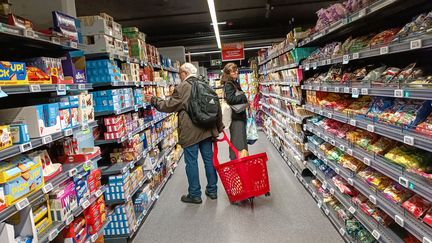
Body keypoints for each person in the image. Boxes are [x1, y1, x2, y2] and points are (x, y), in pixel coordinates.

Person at [145, 63, 223, 204]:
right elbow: (216, 106)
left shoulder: (183, 87)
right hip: (207, 129)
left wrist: (153, 100)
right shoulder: (205, 83)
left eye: (180, 73)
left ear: (184, 73)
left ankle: (195, 194)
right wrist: (218, 128)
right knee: (208, 161)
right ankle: (212, 191)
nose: (179, 76)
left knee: (191, 162)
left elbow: (168, 106)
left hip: (190, 131)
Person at [222, 63, 248, 160]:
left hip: (239, 117)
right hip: (236, 118)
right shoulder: (229, 84)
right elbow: (230, 99)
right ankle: (238, 163)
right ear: (228, 73)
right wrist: (243, 96)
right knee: (238, 143)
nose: (236, 72)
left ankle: (241, 161)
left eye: (236, 70)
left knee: (240, 141)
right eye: (233, 71)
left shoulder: (233, 82)